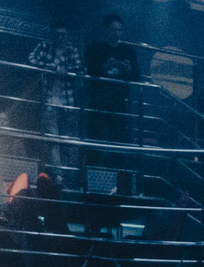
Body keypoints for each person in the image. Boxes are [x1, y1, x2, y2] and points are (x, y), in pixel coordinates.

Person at [27, 20, 81, 170]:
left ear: (67, 35)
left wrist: (66, 70)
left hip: (68, 102)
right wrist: (52, 68)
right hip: (49, 100)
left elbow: (80, 68)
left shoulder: (72, 50)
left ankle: (67, 174)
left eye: (63, 35)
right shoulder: (45, 46)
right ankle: (58, 174)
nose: (60, 38)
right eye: (58, 34)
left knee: (68, 141)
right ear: (52, 34)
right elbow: (31, 59)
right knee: (53, 140)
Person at [83, 14, 140, 144]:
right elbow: (88, 71)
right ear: (106, 30)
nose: (117, 33)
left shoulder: (128, 51)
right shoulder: (95, 48)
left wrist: (128, 70)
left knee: (119, 137)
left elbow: (137, 75)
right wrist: (104, 67)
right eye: (114, 30)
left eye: (119, 30)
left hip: (119, 100)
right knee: (95, 136)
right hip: (98, 99)